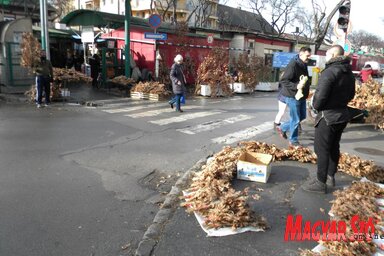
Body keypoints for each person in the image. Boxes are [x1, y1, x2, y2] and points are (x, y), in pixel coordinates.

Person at [302, 45, 355, 194]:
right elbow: (351, 95)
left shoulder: (330, 71)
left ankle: (320, 183)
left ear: (332, 54)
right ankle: (330, 177)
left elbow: (320, 97)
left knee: (322, 148)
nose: (325, 56)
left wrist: (315, 106)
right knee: (333, 146)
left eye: (326, 54)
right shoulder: (349, 73)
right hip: (342, 115)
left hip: (328, 116)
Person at [276, 47, 311, 148]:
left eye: (309, 55)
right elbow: (284, 80)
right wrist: (296, 86)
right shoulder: (293, 64)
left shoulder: (303, 64)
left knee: (302, 116)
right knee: (295, 119)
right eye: (307, 55)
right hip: (292, 95)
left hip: (301, 95)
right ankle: (293, 141)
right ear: (301, 54)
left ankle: (282, 127)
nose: (309, 58)